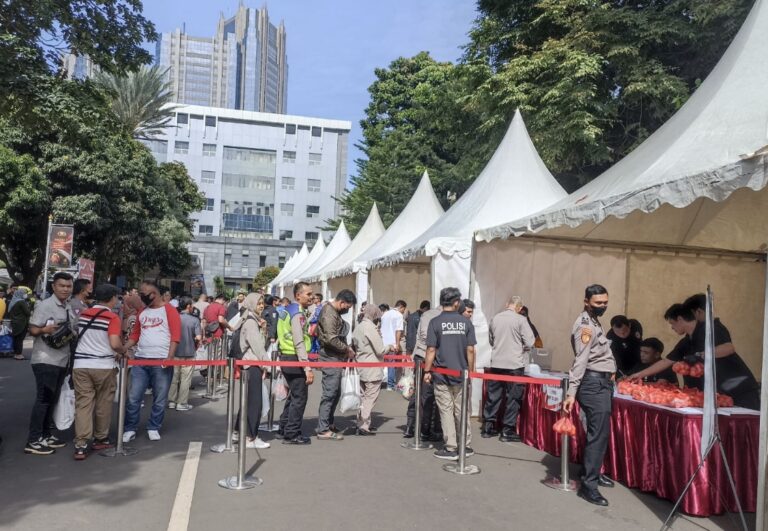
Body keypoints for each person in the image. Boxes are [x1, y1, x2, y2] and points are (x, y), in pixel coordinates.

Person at [630, 302, 760, 409]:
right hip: (720, 395)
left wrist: (700, 355)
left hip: (740, 391)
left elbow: (728, 348)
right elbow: (666, 361)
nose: (672, 328)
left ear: (680, 319)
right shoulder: (687, 341)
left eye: (672, 324)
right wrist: (639, 375)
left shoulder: (710, 329)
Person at [563, 284, 616, 507]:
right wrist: (571, 393)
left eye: (605, 302)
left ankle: (591, 471)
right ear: (586, 302)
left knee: (598, 433)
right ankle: (589, 486)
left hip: (600, 383)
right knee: (598, 435)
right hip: (593, 384)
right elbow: (581, 360)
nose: (603, 306)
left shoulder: (594, 322)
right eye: (598, 303)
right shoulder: (585, 326)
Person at [72, 284, 126, 460]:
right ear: (112, 298)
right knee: (103, 403)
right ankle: (100, 438)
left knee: (83, 404)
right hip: (103, 366)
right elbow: (115, 343)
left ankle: (81, 444)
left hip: (81, 365)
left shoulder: (83, 314)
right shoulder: (112, 317)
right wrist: (124, 351)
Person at [122, 281, 181, 442]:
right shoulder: (142, 311)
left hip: (161, 360)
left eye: (143, 293)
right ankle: (129, 428)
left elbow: (175, 336)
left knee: (160, 398)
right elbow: (135, 335)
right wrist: (123, 348)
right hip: (140, 360)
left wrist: (169, 358)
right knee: (134, 397)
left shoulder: (170, 310)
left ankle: (154, 426)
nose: (141, 296)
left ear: (154, 293)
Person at [24, 272, 75, 455]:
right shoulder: (44, 305)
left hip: (62, 359)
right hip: (45, 360)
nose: (65, 289)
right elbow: (32, 329)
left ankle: (45, 435)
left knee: (51, 400)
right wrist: (44, 329)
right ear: (54, 286)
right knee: (43, 400)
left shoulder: (68, 306)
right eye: (62, 285)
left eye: (68, 286)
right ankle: (33, 440)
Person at [424, 287, 477, 461]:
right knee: (462, 410)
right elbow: (470, 349)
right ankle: (466, 445)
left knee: (446, 410)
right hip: (462, 374)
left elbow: (431, 349)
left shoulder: (435, 322)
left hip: (441, 374)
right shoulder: (466, 322)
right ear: (456, 303)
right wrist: (471, 370)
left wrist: (427, 370)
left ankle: (451, 447)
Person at [482, 296, 536, 442]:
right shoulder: (521, 320)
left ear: (507, 305)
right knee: (513, 398)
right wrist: (521, 347)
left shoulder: (495, 318)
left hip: (497, 363)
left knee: (493, 396)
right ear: (519, 308)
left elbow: (491, 340)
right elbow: (530, 341)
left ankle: (488, 426)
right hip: (514, 364)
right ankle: (507, 430)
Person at [316, 289, 357, 440]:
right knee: (330, 393)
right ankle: (323, 428)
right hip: (330, 356)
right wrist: (347, 349)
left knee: (335, 392)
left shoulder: (333, 312)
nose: (348, 310)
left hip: (335, 356)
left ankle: (328, 422)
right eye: (348, 306)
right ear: (342, 302)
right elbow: (331, 339)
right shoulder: (329, 313)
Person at [276, 282, 314, 444]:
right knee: (300, 397)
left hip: (286, 354)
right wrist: (307, 367)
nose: (311, 297)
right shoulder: (297, 313)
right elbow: (298, 341)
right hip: (294, 356)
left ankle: (284, 426)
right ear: (298, 295)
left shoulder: (287, 309)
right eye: (308, 294)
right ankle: (292, 433)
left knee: (293, 395)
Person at [234, 293, 270, 449]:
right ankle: (250, 436)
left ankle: (238, 431)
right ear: (251, 304)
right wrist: (267, 365)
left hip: (249, 364)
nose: (261, 305)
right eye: (258, 303)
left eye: (262, 303)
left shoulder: (251, 319)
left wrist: (263, 329)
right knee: (255, 402)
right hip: (252, 364)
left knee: (248, 400)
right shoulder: (251, 322)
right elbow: (258, 346)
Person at [352, 303, 391, 436]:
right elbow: (380, 350)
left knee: (363, 396)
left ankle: (361, 423)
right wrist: (390, 347)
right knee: (370, 398)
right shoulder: (370, 328)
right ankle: (364, 425)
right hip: (372, 367)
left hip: (361, 365)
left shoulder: (359, 326)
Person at [404, 304, 443, 440]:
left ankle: (411, 426)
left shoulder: (427, 314)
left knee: (418, 393)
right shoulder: (437, 316)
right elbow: (427, 338)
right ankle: (423, 429)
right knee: (426, 395)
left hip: (420, 355)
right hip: (428, 357)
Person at [168, 297, 201, 412]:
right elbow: (198, 337)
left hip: (174, 352)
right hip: (189, 352)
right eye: (191, 305)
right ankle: (181, 403)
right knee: (185, 379)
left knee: (173, 378)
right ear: (188, 306)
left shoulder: (174, 317)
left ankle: (171, 401)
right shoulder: (195, 320)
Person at [381, 300, 406, 390]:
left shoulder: (385, 314)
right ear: (401, 307)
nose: (404, 311)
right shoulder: (399, 315)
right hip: (392, 343)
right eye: (404, 309)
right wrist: (397, 344)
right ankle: (390, 385)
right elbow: (398, 331)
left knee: (382, 363)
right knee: (391, 364)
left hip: (383, 343)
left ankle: (379, 382)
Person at [8, 286, 33, 361]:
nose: (25, 295)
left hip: (14, 322)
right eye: (24, 293)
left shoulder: (13, 301)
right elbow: (28, 313)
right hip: (21, 323)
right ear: (21, 294)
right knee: (20, 339)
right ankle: (18, 354)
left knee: (16, 338)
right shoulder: (21, 302)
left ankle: (16, 352)